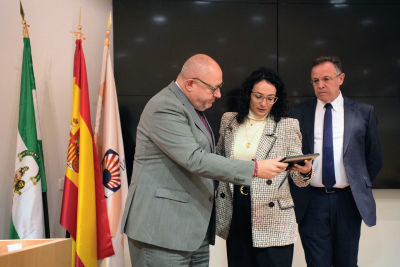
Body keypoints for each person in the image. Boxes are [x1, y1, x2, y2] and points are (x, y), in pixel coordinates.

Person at [121, 54, 289, 267]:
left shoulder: (191, 108)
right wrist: (254, 169)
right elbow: (195, 159)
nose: (218, 94)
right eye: (213, 88)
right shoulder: (165, 106)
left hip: (191, 231)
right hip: (162, 232)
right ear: (190, 84)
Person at [215, 67, 315, 267]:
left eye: (271, 98)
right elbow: (218, 161)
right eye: (259, 96)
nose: (264, 103)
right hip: (236, 208)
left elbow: (298, 179)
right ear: (248, 94)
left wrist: (305, 172)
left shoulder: (288, 126)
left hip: (272, 215)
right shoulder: (229, 121)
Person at [289, 56, 383, 267]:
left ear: (341, 79)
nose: (320, 85)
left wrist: (359, 183)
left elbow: (375, 158)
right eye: (315, 80)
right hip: (311, 201)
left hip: (348, 200)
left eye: (326, 79)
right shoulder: (298, 113)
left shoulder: (363, 112)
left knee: (347, 262)